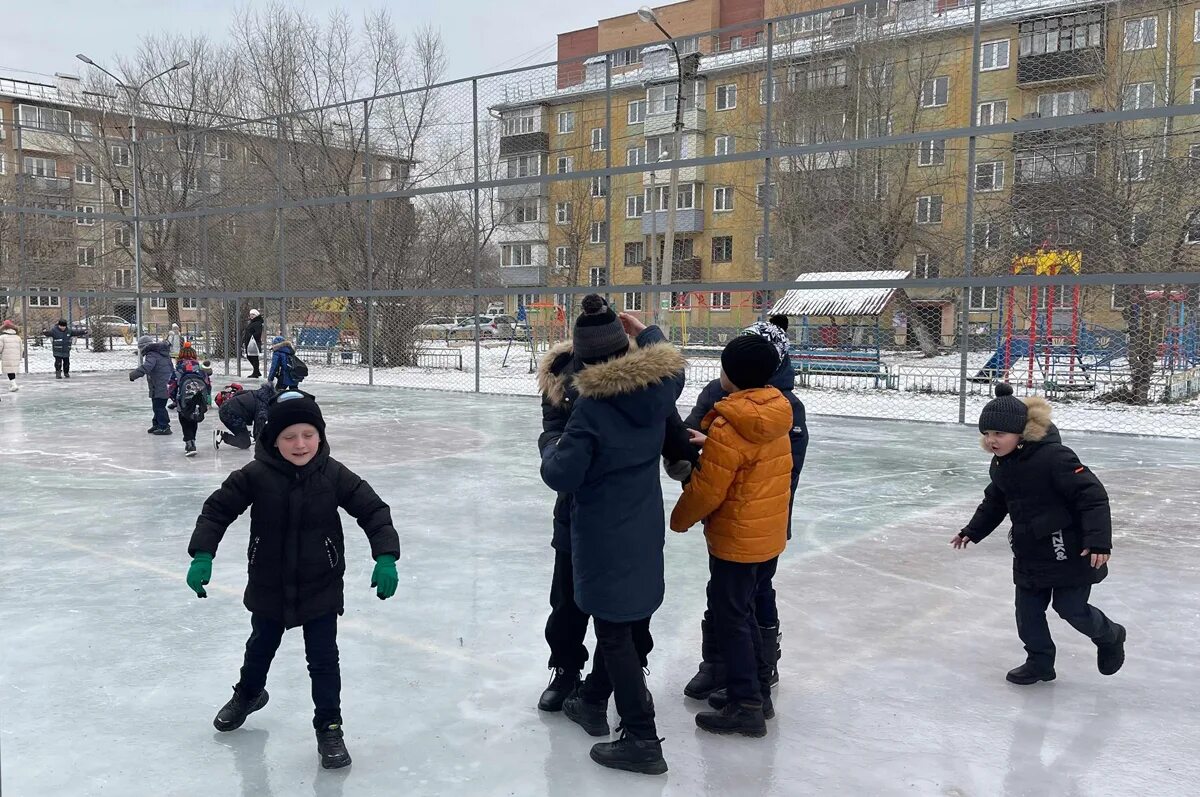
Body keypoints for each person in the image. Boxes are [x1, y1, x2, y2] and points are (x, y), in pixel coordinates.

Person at [185, 391, 401, 769]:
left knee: (323, 660)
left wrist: (385, 556)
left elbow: (373, 510)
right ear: (273, 439)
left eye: (308, 435)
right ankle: (249, 693)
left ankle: (329, 726)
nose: (300, 444)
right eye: (289, 437)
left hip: (321, 582)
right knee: (260, 648)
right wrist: (203, 554)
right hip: (269, 581)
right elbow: (217, 511)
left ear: (319, 436)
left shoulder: (333, 474)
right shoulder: (254, 475)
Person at [540, 295, 686, 776]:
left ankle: (641, 736)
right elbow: (671, 368)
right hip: (642, 527)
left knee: (615, 632)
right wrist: (645, 330)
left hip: (602, 533)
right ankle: (592, 696)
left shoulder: (592, 410)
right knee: (626, 623)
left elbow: (561, 473)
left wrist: (551, 444)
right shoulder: (657, 389)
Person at [952, 384, 1126, 685]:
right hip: (1030, 549)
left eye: (999, 434)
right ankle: (1039, 662)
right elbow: (996, 501)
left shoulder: (1054, 458)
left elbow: (1092, 496)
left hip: (1069, 549)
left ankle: (1110, 635)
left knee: (1071, 609)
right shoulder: (1002, 464)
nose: (992, 440)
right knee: (1028, 613)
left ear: (1021, 432)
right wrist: (973, 531)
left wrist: (1098, 540)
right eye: (987, 434)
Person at [678, 315, 808, 700]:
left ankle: (759, 672)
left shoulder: (786, 408)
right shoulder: (719, 394)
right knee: (721, 594)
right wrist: (694, 459)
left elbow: (786, 471)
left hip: (762, 516)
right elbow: (691, 434)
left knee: (756, 595)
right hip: (726, 516)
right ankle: (717, 664)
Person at [169, 343, 213, 457]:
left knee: (184, 420)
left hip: (183, 400)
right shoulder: (200, 369)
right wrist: (207, 400)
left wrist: (174, 399)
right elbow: (208, 385)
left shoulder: (178, 369)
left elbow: (172, 386)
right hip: (198, 399)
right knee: (194, 419)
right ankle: (192, 439)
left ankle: (189, 443)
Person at [129, 335, 174, 434]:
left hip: (161, 384)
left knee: (159, 406)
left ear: (144, 347)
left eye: (140, 348)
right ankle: (157, 424)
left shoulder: (152, 354)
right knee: (156, 405)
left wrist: (133, 375)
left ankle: (164, 426)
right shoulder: (160, 352)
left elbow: (147, 367)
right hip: (163, 383)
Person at [215, 382, 275, 450]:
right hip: (230, 414)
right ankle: (222, 435)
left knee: (243, 436)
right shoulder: (263, 406)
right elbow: (259, 426)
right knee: (245, 443)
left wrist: (236, 402)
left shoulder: (258, 392)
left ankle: (239, 434)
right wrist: (261, 444)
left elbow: (239, 393)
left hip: (226, 407)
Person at [241, 309, 264, 378]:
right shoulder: (252, 322)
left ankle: (255, 373)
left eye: (253, 314)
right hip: (250, 342)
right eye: (250, 314)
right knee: (250, 356)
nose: (251, 316)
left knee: (254, 357)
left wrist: (251, 336)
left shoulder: (257, 322)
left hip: (254, 342)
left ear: (256, 315)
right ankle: (257, 371)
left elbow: (258, 333)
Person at [1, 319, 22, 392]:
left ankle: (14, 385)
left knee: (9, 371)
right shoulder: (18, 337)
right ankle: (13, 384)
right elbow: (21, 348)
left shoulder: (2, 337)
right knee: (12, 371)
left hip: (7, 357)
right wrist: (20, 357)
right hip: (15, 357)